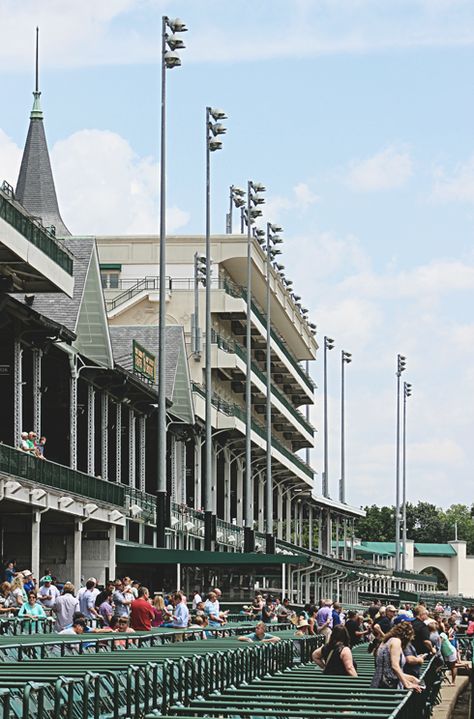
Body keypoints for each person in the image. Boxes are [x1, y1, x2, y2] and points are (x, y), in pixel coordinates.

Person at [371, 622, 422, 691]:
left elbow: (389, 670)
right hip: (389, 686)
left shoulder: (386, 641)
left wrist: (411, 678)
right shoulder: (396, 641)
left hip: (378, 682)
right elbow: (395, 667)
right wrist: (407, 684)